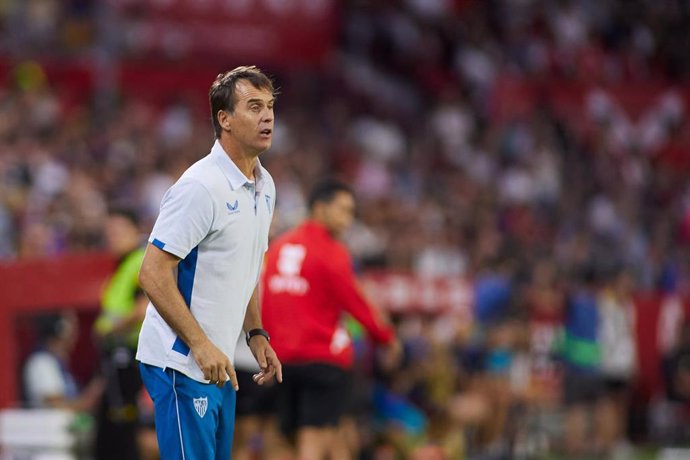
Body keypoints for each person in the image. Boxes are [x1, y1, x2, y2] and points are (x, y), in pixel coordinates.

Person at [135, 65, 283, 460]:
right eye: (253, 106)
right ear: (225, 119)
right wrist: (200, 345)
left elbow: (247, 266)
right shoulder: (201, 186)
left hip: (217, 364)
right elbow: (151, 272)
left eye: (269, 106)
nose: (267, 115)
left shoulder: (265, 187)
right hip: (181, 362)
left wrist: (256, 333)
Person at [261, 179, 400, 460]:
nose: (348, 219)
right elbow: (355, 303)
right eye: (343, 210)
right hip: (323, 357)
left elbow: (267, 302)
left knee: (282, 437)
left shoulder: (278, 247)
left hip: (283, 359)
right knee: (315, 438)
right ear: (320, 208)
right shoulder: (332, 252)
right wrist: (386, 338)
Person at [93, 207, 155, 460]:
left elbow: (144, 308)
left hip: (132, 357)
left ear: (135, 230)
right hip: (119, 359)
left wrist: (108, 329)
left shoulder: (140, 261)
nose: (112, 237)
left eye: (118, 231)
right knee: (114, 430)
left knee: (130, 431)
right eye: (109, 232)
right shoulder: (122, 266)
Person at [23, 312, 104, 411]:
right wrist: (91, 397)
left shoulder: (57, 363)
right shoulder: (42, 363)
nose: (75, 335)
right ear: (60, 332)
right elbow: (57, 406)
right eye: (72, 328)